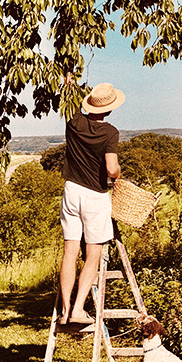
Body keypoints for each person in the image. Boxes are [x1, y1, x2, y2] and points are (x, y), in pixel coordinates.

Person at [58, 82, 124, 327]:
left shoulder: (73, 122)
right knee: (93, 253)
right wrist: (118, 173)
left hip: (71, 190)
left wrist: (69, 79)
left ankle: (64, 310)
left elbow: (66, 91)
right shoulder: (110, 133)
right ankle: (77, 310)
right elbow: (111, 169)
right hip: (95, 195)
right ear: (110, 109)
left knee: (70, 251)